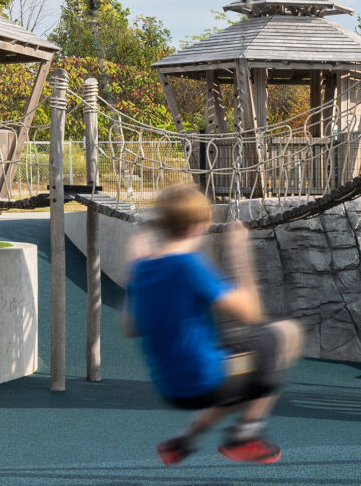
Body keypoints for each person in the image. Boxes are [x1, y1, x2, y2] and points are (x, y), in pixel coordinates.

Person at [125, 181, 301, 465]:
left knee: (239, 364)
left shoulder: (142, 268)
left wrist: (133, 275)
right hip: (209, 381)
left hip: (171, 388)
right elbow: (252, 314)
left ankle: (186, 438)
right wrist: (240, 251)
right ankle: (246, 434)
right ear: (200, 226)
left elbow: (130, 327)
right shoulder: (189, 265)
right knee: (285, 334)